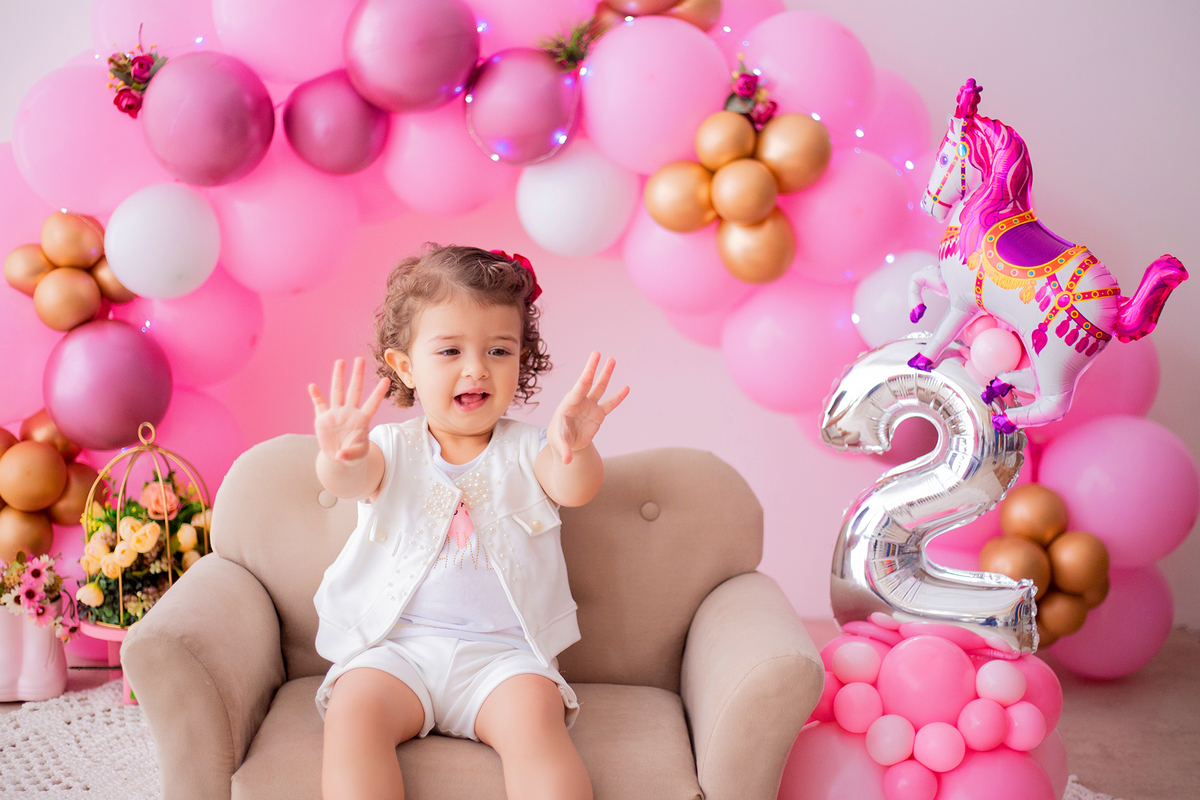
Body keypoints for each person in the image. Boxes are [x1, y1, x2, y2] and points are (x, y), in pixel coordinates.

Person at [308, 244, 628, 800]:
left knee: (537, 726)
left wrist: (575, 448)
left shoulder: (530, 449)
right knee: (353, 714)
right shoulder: (390, 447)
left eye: (499, 350)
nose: (476, 367)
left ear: (521, 360)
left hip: (504, 657)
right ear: (406, 365)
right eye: (450, 349)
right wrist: (341, 456)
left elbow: (574, 487)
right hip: (398, 649)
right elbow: (353, 481)